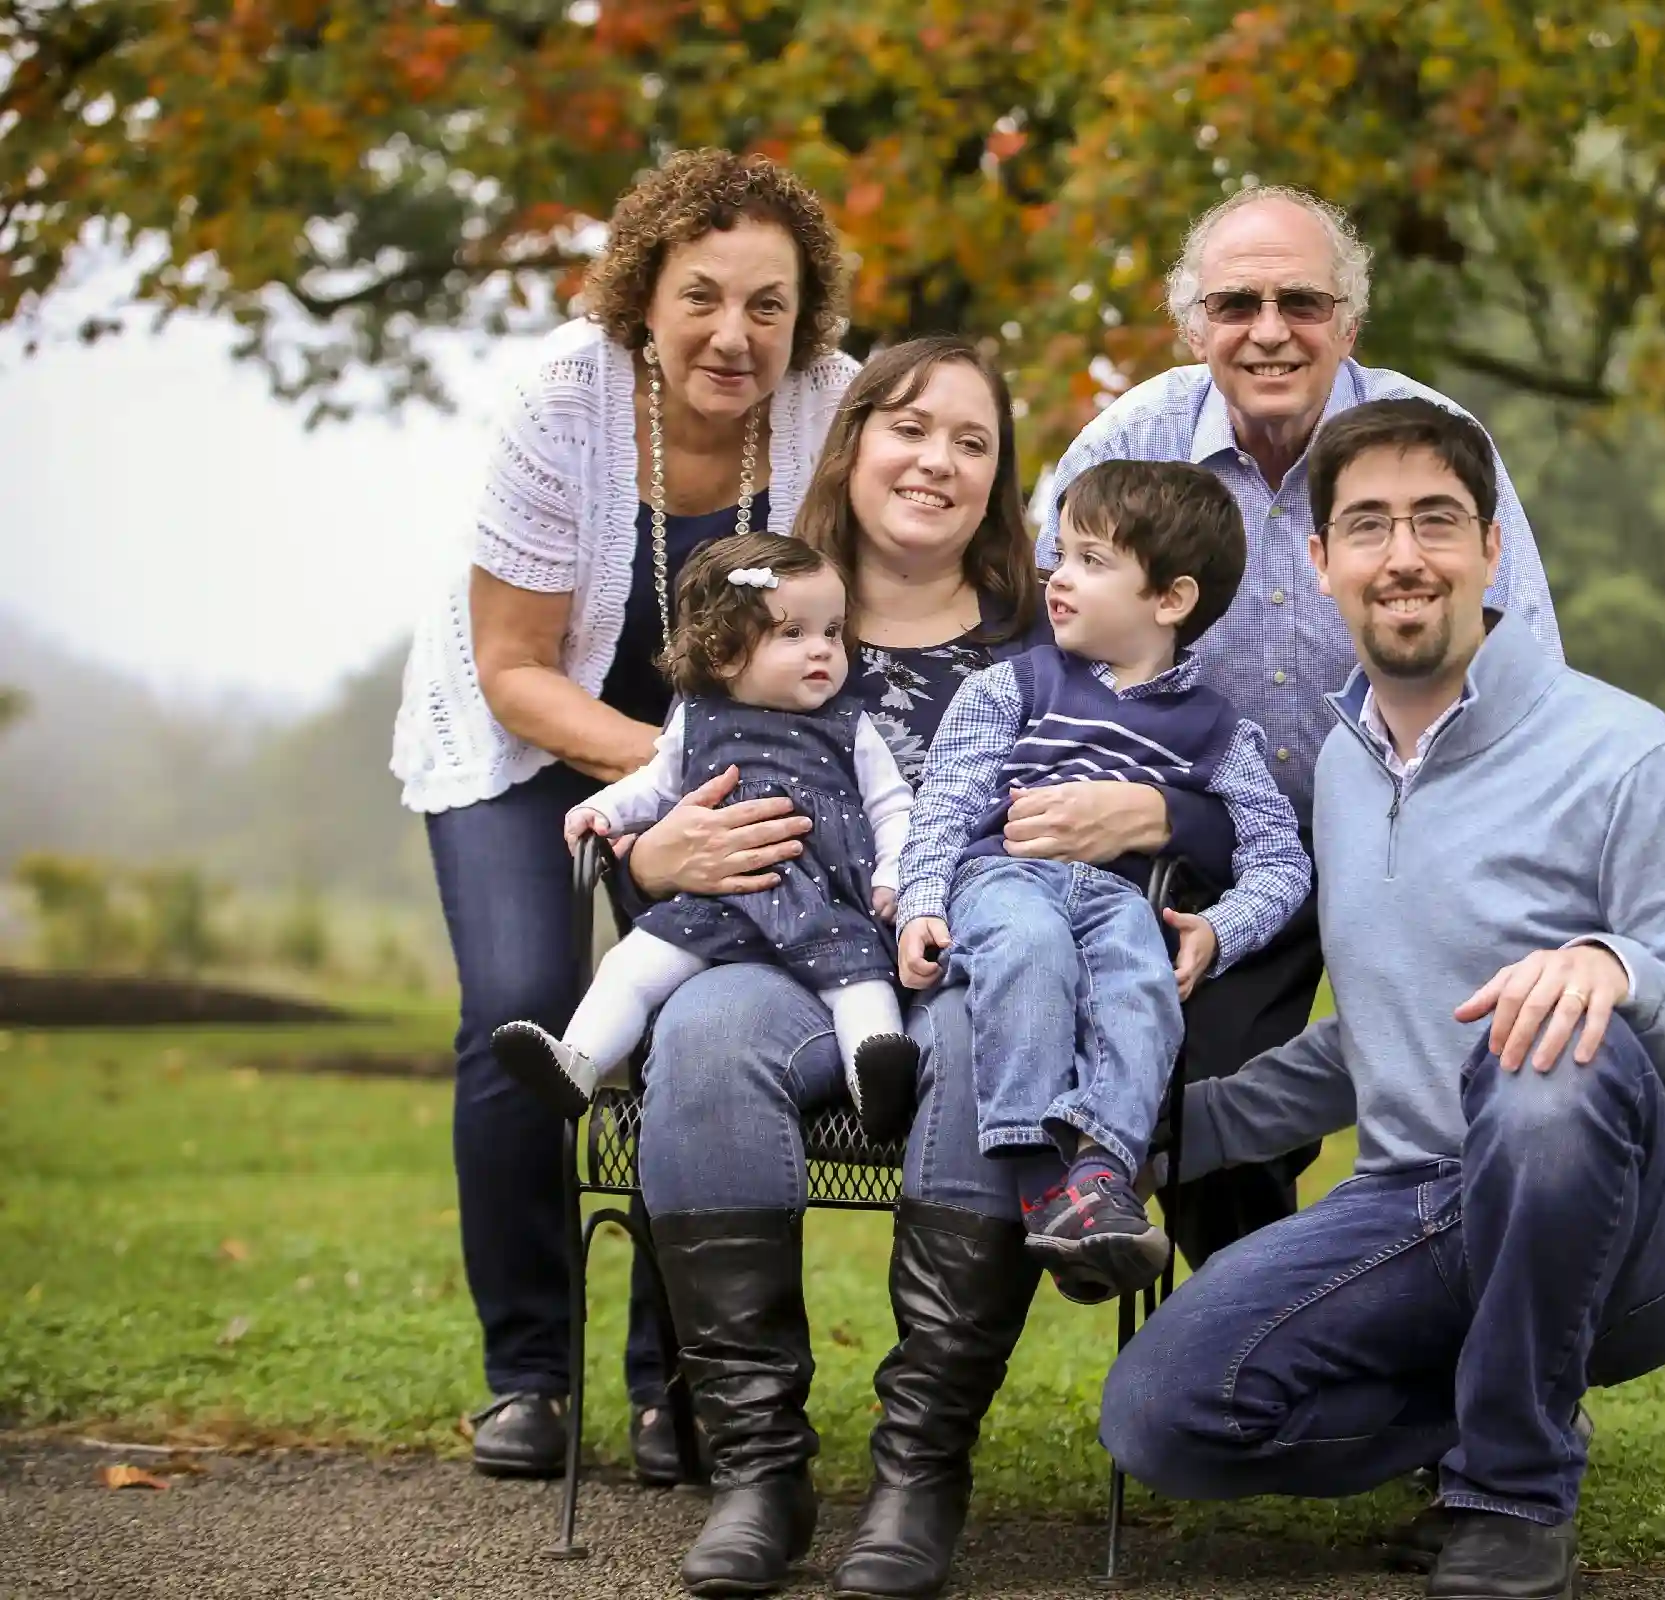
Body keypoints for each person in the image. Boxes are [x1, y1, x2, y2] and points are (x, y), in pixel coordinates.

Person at [1096, 399, 1665, 1600]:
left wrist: (1621, 973)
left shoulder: (1623, 754)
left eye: (1436, 519)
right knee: (1160, 1415)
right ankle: (1499, 1391)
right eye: (1366, 524)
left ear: (1492, 550)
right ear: (1320, 565)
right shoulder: (1342, 774)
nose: (1403, 554)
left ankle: (1514, 1490)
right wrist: (1165, 1136)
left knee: (1550, 1052)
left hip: (1636, 1240)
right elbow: (1377, 1039)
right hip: (1416, 1212)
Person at [616, 338, 1241, 1597]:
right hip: (775, 952)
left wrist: (1155, 821)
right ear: (853, 445)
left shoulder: (1050, 630)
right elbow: (667, 784)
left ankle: (919, 1467)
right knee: (700, 1039)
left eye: (973, 440)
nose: (938, 460)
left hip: (978, 964)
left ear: (1001, 477)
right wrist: (655, 859)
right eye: (910, 427)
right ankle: (759, 1468)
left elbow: (1216, 796)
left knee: (974, 1051)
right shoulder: (758, 602)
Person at [389, 147, 856, 1485]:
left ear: (804, 316)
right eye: (702, 295)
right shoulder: (562, 405)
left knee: (693, 1019)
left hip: (733, 754)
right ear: (642, 294)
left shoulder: (829, 409)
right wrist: (671, 773)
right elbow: (517, 665)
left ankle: (676, 1384)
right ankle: (528, 1376)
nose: (734, 332)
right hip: (532, 734)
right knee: (524, 1003)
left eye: (768, 304)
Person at [1032, 184, 1561, 1267]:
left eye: (1301, 303)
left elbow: (1524, 663)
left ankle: (1483, 1337)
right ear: (1194, 327)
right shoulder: (1125, 447)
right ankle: (1280, 1354)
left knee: (1474, 1084)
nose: (1269, 331)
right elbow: (1047, 660)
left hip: (1418, 824)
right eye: (1236, 304)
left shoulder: (1427, 447)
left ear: (1349, 322)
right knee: (1212, 1102)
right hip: (1217, 841)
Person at [896, 460, 1310, 1304]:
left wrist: (1220, 929)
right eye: (1062, 555)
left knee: (1142, 981)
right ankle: (1039, 1172)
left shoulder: (1217, 731)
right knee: (1031, 943)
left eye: (1091, 560)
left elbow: (1282, 858)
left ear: (1171, 599)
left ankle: (1098, 1177)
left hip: (1119, 899)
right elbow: (945, 803)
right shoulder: (1012, 684)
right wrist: (923, 903)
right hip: (1004, 881)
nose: (1059, 579)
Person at [490, 534, 919, 1141]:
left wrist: (892, 874)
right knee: (630, 966)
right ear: (722, 654)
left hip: (824, 902)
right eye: (792, 633)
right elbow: (654, 784)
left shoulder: (850, 725)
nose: (822, 649)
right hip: (719, 900)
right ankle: (577, 1062)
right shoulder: (698, 718)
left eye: (832, 631)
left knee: (860, 984)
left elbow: (892, 805)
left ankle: (875, 1078)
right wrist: (602, 812)